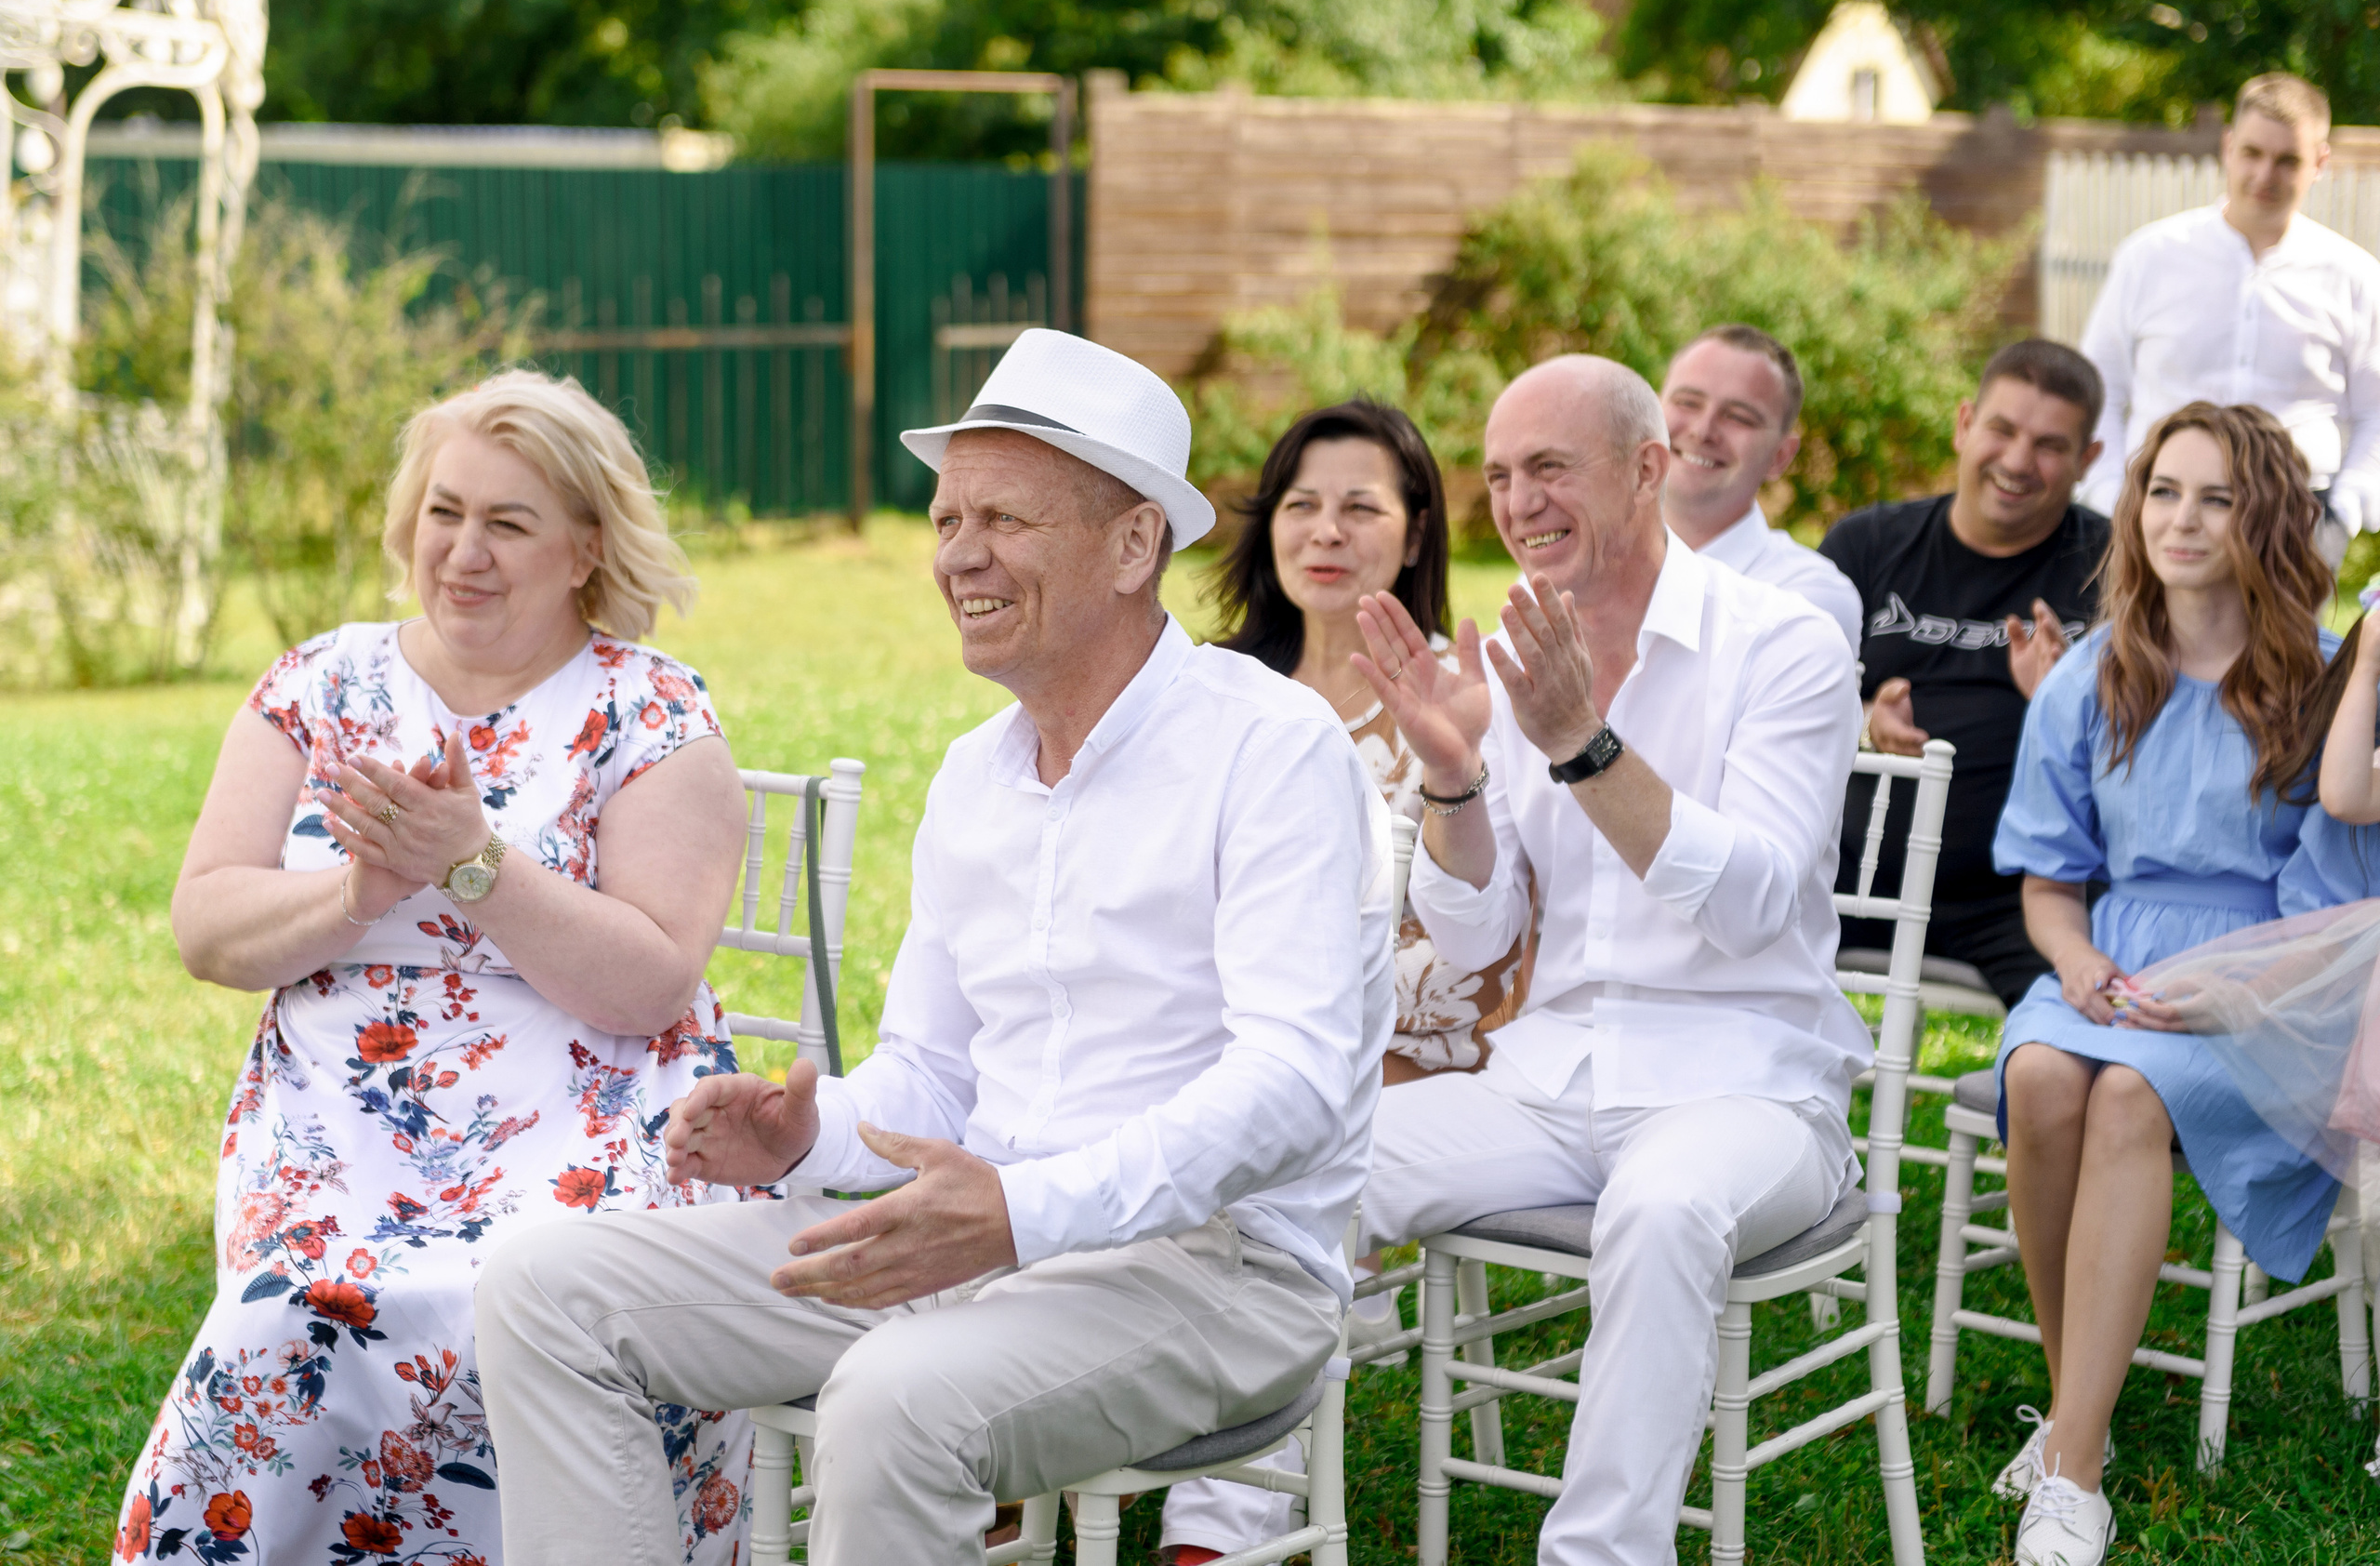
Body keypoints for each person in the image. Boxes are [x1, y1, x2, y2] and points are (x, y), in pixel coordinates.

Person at [470, 329, 1396, 1566]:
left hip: (1214, 1272)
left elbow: (1295, 1083)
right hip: (971, 1235)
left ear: (1134, 544)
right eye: (946, 516)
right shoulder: (974, 775)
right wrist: (811, 1134)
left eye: (1005, 517)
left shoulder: (1272, 748)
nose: (959, 553)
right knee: (543, 1287)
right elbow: (932, 1076)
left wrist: (1023, 1210)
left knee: (894, 1396)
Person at [112, 371, 754, 1563]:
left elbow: (655, 981)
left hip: (588, 1126)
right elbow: (205, 928)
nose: (463, 552)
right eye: (444, 511)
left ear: (585, 549)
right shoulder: (318, 686)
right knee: (287, 1316)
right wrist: (358, 892)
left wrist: (474, 865)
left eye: (509, 522)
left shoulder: (650, 711)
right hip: (337, 1132)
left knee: (519, 1313)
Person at [1348, 354, 1868, 1564]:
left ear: (1648, 467)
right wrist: (1454, 773)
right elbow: (1481, 935)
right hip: (1549, 1077)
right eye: (1497, 476)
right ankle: (1242, 1515)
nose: (1517, 501)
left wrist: (1581, 739)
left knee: (1666, 1202)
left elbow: (1752, 903)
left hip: (1751, 1082)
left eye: (1548, 468)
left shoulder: (1784, 644)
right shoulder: (1521, 660)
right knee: (1314, 1153)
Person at [1158, 398, 1529, 1564]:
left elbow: (1487, 949)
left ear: (1415, 534)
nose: (1325, 531)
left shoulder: (1468, 700)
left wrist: (1449, 764)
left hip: (1409, 1056)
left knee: (1270, 1175)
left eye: (1360, 506)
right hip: (1214, 1040)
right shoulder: (1204, 692)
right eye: (1301, 505)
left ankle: (1219, 1530)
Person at [1987, 402, 2341, 1566]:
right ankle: (2071, 1406)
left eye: (2217, 497)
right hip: (2115, 960)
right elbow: (2050, 881)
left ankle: (2071, 1470)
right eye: (2162, 492)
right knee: (2040, 1075)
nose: (2180, 520)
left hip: (2275, 979)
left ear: (2268, 520)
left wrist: (2231, 988)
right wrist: (2079, 961)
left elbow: (2339, 906)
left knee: (2131, 1097)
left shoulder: (2324, 682)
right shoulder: (2093, 673)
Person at [1819, 340, 2111, 1009]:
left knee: (2088, 1032)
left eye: (2048, 445)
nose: (2015, 461)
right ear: (1963, 424)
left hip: (2021, 897)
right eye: (2001, 430)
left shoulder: (2115, 567)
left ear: (2086, 460)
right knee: (1712, 972)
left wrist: (2068, 702)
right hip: (1848, 880)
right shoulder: (1865, 545)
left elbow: (2155, 744)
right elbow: (1775, 698)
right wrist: (1861, 718)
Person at [2079, 73, 2380, 561]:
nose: (2266, 176)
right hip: (2161, 516)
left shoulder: (2356, 277)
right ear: (2228, 146)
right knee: (2145, 641)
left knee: (2290, 645)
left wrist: (2344, 513)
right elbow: (2098, 389)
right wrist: (2112, 499)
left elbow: (2377, 412)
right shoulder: (2149, 257)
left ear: (2320, 162)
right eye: (2253, 153)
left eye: (2288, 160)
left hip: (2295, 524)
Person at [1659, 323, 1863, 651]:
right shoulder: (1578, 555)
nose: (1702, 430)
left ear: (1780, 456)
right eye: (1687, 402)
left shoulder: (1806, 600)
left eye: (1738, 417)